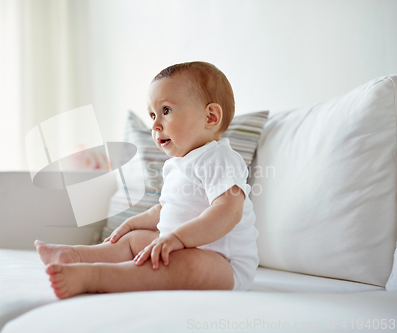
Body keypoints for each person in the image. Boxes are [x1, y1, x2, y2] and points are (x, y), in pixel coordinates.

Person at [35, 61, 259, 299]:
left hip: (224, 264)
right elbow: (165, 209)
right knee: (133, 240)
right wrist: (133, 224)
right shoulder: (176, 165)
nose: (154, 125)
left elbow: (228, 210)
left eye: (166, 111)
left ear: (211, 117)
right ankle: (75, 257)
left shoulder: (219, 158)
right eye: (152, 114)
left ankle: (94, 277)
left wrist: (178, 238)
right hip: (177, 246)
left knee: (186, 264)